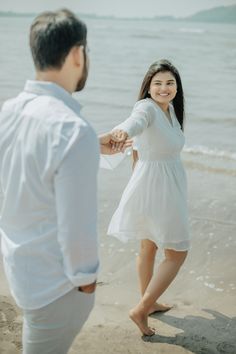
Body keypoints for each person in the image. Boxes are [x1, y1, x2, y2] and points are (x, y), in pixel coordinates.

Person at [0, 9, 126, 354]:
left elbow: (27, 169)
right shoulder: (72, 129)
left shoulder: (9, 111)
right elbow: (77, 229)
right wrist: (86, 283)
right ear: (76, 53)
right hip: (55, 286)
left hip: (19, 267)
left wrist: (91, 146)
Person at [107, 59, 190, 336]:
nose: (164, 88)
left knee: (149, 245)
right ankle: (141, 309)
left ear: (177, 87)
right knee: (178, 251)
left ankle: (148, 302)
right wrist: (122, 132)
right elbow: (134, 123)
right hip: (158, 187)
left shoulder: (170, 112)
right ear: (148, 87)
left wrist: (136, 175)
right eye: (158, 83)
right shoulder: (147, 108)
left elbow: (139, 148)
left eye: (169, 83)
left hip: (153, 183)